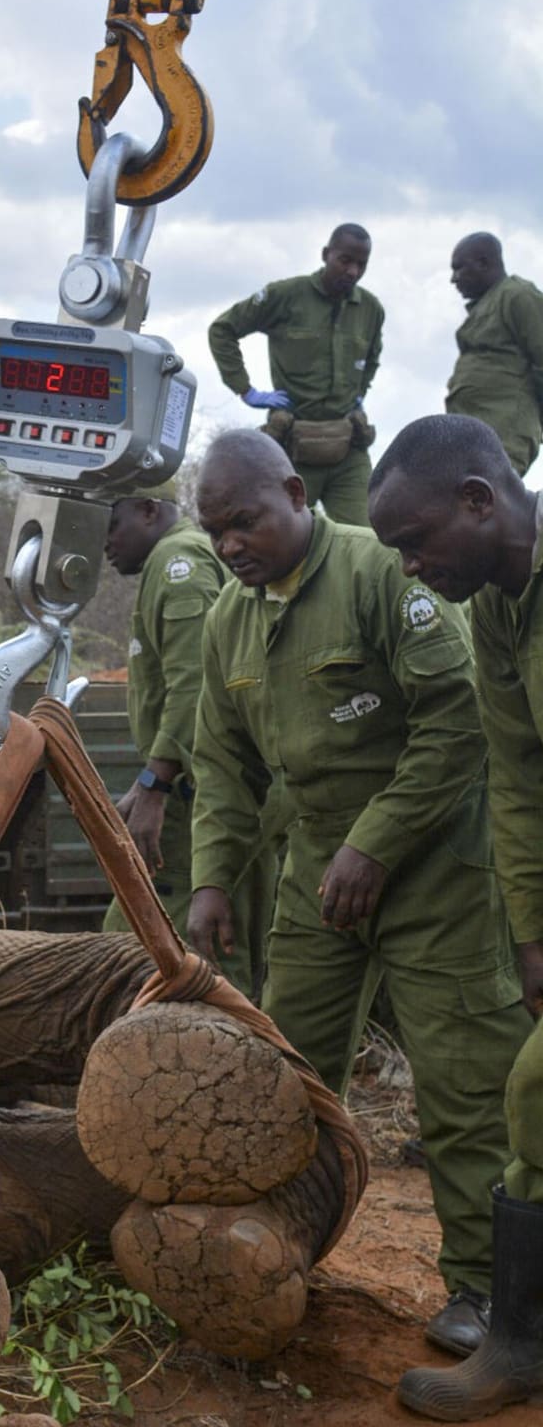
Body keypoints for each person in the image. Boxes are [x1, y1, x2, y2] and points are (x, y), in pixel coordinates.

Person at [186, 428, 530, 1356]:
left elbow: (458, 726)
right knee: (285, 1076)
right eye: (214, 530)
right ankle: (274, 1250)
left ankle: (487, 1297)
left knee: (466, 1088)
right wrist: (213, 878)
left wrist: (375, 844)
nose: (230, 546)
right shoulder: (231, 619)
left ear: (297, 493)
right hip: (316, 884)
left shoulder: (385, 573)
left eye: (245, 521)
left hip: (437, 872)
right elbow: (220, 765)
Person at [368, 414, 543, 1427]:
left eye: (417, 538)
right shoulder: (497, 614)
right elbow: (518, 785)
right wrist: (532, 934)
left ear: (482, 500)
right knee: (529, 1096)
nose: (413, 565)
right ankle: (521, 1342)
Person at [101, 478, 273, 995]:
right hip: (185, 790)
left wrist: (156, 784)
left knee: (204, 951)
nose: (103, 543)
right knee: (137, 944)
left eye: (111, 525)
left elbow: (195, 684)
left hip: (200, 800)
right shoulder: (167, 565)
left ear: (149, 510)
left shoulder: (181, 567)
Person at [207, 224, 383, 529]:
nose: (353, 271)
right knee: (273, 536)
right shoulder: (285, 296)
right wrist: (245, 390)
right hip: (292, 447)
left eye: (361, 264)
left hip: (347, 447)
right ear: (326, 255)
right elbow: (222, 330)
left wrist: (360, 391)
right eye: (345, 260)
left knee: (374, 538)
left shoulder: (370, 308)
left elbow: (372, 357)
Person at [445, 232, 543, 477]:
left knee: (490, 498)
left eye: (459, 269)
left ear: (484, 263)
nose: (453, 279)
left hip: (505, 429)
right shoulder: (487, 303)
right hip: (475, 431)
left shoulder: (517, 295)